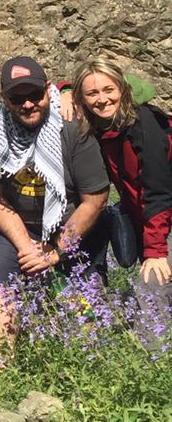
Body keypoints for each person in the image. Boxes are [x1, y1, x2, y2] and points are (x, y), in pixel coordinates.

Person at [0, 55, 109, 351]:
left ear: (48, 89)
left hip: (72, 223)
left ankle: (86, 363)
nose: (28, 103)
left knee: (84, 295)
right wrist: (26, 248)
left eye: (34, 94)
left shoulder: (72, 126)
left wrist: (56, 251)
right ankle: (4, 369)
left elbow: (95, 199)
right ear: (4, 98)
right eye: (17, 98)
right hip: (18, 225)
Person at [64, 58, 172, 297]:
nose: (102, 99)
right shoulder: (102, 126)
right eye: (92, 93)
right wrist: (64, 91)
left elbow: (159, 191)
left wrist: (155, 250)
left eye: (109, 90)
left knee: (152, 288)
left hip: (163, 217)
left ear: (122, 89)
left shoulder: (143, 122)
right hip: (148, 220)